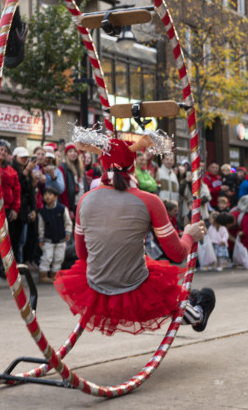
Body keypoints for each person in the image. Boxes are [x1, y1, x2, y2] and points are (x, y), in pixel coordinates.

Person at [54, 137, 215, 336]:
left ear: (102, 164)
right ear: (132, 165)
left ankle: (188, 303)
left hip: (97, 285)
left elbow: (82, 255)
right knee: (162, 286)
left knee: (148, 267)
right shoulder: (149, 200)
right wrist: (190, 236)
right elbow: (177, 254)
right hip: (135, 286)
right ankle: (197, 314)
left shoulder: (85, 201)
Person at [37, 177, 71, 283]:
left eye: (50, 194)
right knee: (47, 257)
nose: (47, 196)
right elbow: (41, 227)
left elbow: (68, 221)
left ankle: (54, 274)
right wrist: (41, 238)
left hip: (61, 238)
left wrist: (68, 232)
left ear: (56, 197)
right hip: (48, 239)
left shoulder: (62, 209)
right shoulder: (42, 212)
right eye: (45, 194)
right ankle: (43, 275)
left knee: (59, 258)